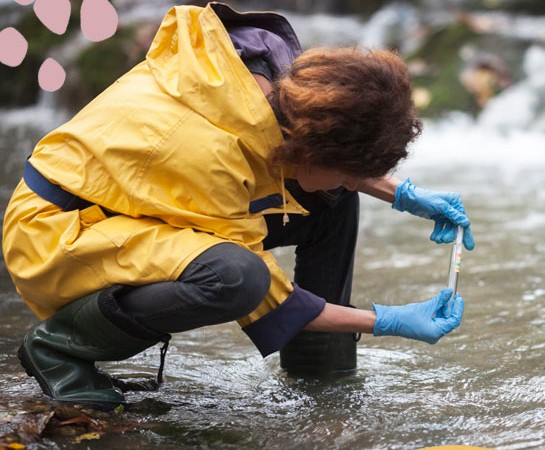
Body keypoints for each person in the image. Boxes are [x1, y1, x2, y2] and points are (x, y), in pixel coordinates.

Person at [1, 2, 475, 408]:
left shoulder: (278, 85)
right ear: (308, 149)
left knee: (332, 199)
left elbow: (324, 165)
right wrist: (387, 321)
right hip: (60, 231)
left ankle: (320, 367)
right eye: (347, 168)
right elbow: (270, 298)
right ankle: (60, 348)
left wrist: (405, 196)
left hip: (128, 203)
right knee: (235, 277)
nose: (355, 179)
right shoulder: (212, 155)